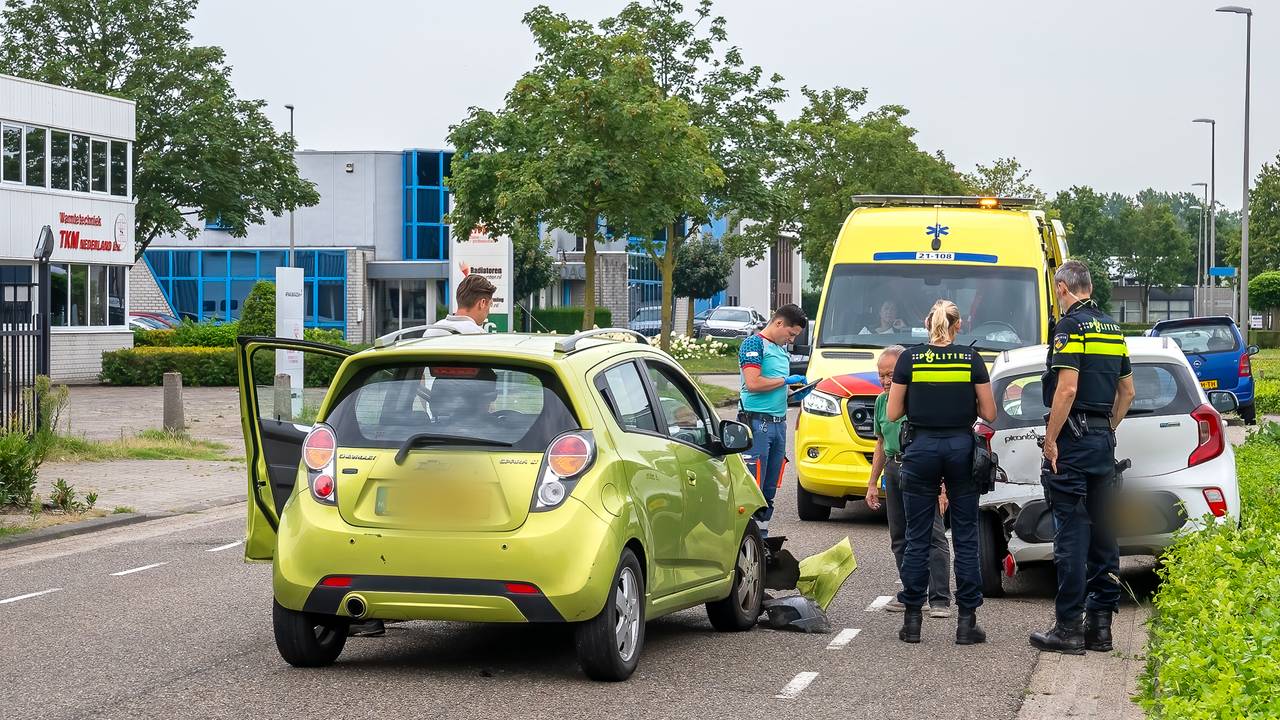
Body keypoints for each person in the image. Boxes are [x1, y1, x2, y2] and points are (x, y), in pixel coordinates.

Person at [1030, 260, 1136, 655]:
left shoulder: (1070, 327)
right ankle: (1101, 628)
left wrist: (1051, 440)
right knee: (1104, 534)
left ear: (1062, 288)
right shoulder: (1113, 328)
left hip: (1072, 443)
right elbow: (1127, 393)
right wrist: (1108, 429)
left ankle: (1068, 628)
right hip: (1101, 445)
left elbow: (1066, 389)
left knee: (1071, 537)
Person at [887, 299, 996, 645]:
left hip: (920, 450)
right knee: (965, 537)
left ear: (926, 323)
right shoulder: (971, 359)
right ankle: (967, 623)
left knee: (918, 536)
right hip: (961, 449)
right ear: (958, 326)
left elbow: (892, 413)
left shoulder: (909, 358)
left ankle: (913, 622)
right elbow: (990, 412)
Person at [865, 344, 952, 618]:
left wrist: (942, 488)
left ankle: (939, 599)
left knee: (933, 535)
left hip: (921, 467)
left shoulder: (921, 399)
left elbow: (939, 445)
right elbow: (880, 442)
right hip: (894, 467)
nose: (886, 380)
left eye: (890, 374)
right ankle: (912, 592)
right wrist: (872, 482)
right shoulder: (881, 401)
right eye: (881, 375)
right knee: (899, 535)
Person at [738, 304, 809, 538]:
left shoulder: (781, 350)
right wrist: (785, 380)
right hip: (758, 424)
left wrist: (795, 393)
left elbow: (777, 387)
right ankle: (748, 539)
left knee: (770, 488)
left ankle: (763, 539)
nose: (791, 339)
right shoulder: (754, 344)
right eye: (790, 334)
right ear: (779, 323)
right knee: (755, 488)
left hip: (779, 424)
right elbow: (754, 383)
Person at [431, 273, 497, 334]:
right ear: (482, 303)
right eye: (490, 304)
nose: (489, 312)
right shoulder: (478, 335)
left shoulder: (431, 331)